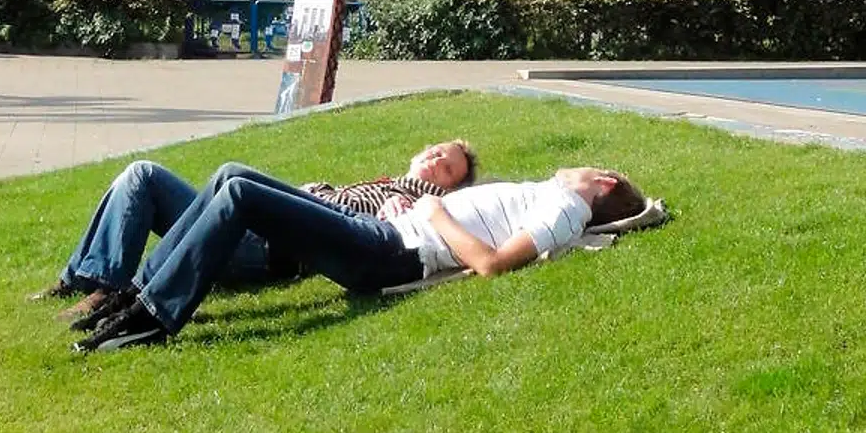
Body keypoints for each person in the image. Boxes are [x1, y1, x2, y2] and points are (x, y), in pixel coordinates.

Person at [74, 162, 647, 354]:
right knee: (232, 174)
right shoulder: (552, 196)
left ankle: (152, 318)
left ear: (601, 180)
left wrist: (433, 213)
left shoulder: (567, 205)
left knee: (241, 198)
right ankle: (136, 295)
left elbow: (494, 264)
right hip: (380, 229)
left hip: (393, 252)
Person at [37, 138, 477, 316]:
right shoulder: (379, 181)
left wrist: (415, 202)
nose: (436, 162)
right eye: (437, 152)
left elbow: (413, 228)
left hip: (266, 246)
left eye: (447, 168)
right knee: (142, 175)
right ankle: (84, 278)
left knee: (227, 176)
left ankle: (109, 292)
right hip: (246, 219)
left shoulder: (418, 200)